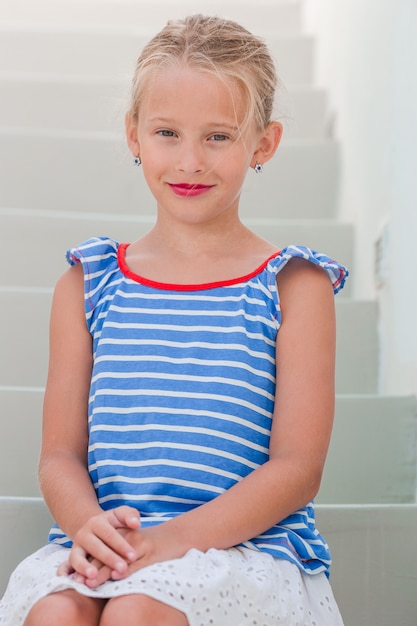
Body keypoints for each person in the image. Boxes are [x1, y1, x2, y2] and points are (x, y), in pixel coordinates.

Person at [0, 14, 348, 626]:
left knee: (138, 611)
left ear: (264, 144)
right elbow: (58, 455)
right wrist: (90, 526)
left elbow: (297, 468)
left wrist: (164, 545)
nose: (190, 160)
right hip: (105, 543)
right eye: (167, 132)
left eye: (218, 136)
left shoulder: (295, 285)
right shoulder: (89, 282)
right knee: (55, 614)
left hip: (238, 550)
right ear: (134, 134)